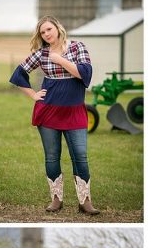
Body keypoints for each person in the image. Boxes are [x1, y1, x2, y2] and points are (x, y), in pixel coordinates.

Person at [10, 16, 100, 215]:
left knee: (80, 156)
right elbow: (18, 74)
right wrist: (33, 94)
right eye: (42, 32)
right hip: (48, 111)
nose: (46, 34)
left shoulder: (77, 47)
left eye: (49, 29)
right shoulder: (41, 54)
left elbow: (84, 74)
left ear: (58, 28)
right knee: (52, 157)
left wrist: (59, 59)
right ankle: (56, 199)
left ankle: (85, 201)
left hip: (74, 111)